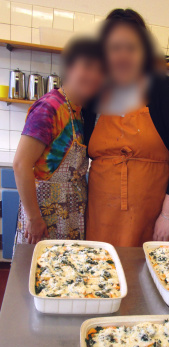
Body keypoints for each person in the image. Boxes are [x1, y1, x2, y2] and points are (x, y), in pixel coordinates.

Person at [84, 9, 169, 247]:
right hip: (101, 215)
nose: (123, 55)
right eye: (115, 47)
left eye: (131, 46)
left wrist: (168, 216)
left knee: (148, 278)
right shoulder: (94, 94)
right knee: (102, 276)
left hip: (153, 217)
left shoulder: (165, 90)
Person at [13, 37, 103, 244]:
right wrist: (34, 218)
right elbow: (20, 164)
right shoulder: (50, 107)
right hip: (45, 213)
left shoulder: (79, 112)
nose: (94, 76)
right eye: (87, 66)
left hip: (71, 213)